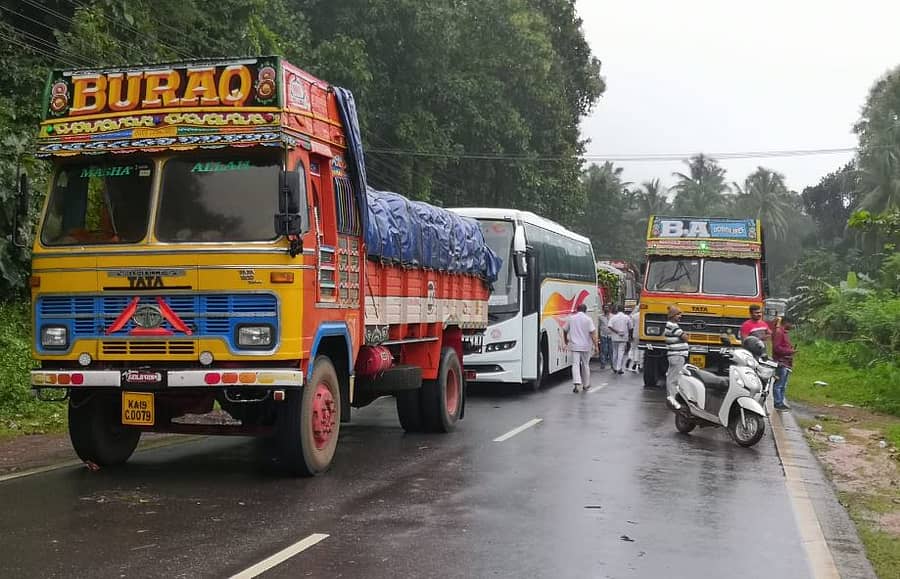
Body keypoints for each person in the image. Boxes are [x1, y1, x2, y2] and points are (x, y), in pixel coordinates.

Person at [563, 303, 598, 393]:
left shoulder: (571, 318)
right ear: (585, 310)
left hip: (575, 345)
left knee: (575, 364)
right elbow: (593, 333)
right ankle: (586, 384)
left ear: (577, 309)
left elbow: (565, 330)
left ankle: (577, 383)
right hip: (586, 346)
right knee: (585, 365)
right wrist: (596, 346)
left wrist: (565, 339)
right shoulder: (588, 319)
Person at [664, 305, 689, 407]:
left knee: (672, 377)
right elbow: (685, 338)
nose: (680, 316)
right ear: (673, 316)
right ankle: (672, 399)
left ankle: (672, 397)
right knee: (673, 379)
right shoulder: (673, 326)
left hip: (675, 355)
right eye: (678, 314)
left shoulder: (671, 326)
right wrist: (686, 335)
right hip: (677, 355)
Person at [772, 316, 796, 410]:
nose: (792, 326)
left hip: (786, 362)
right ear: (786, 323)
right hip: (781, 362)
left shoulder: (784, 333)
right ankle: (777, 403)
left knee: (783, 384)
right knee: (779, 384)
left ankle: (780, 402)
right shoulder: (779, 333)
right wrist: (789, 351)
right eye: (791, 324)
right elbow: (776, 348)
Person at [608, 304, 632, 375]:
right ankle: (619, 368)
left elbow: (609, 326)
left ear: (617, 309)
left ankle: (614, 367)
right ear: (623, 309)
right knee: (621, 353)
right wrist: (630, 336)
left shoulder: (613, 317)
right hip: (623, 337)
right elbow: (630, 327)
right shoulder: (626, 317)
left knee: (615, 352)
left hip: (614, 338)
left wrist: (616, 331)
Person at [627, 306, 643, 373]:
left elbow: (631, 327)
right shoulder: (644, 315)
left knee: (633, 348)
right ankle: (639, 364)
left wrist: (630, 336)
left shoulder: (634, 316)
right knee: (641, 350)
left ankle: (632, 360)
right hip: (643, 335)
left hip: (635, 334)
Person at [598, 304, 612, 368]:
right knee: (603, 350)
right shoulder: (600, 317)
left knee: (611, 350)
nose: (606, 309)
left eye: (607, 307)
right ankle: (603, 363)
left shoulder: (613, 316)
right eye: (605, 307)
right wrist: (598, 336)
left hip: (611, 335)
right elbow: (598, 326)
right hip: (603, 335)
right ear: (603, 309)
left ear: (609, 309)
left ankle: (612, 363)